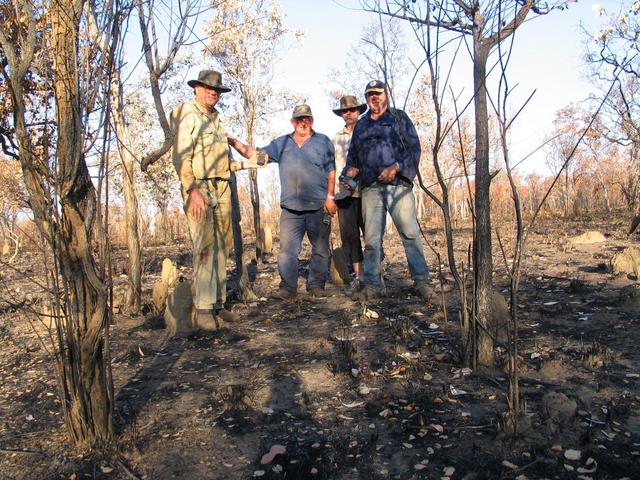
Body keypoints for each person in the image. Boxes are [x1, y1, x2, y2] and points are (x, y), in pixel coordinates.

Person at [171, 69, 261, 331]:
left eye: (217, 90)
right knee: (205, 249)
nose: (213, 93)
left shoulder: (218, 122)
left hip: (222, 188)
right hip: (199, 188)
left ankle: (218, 304)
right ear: (197, 89)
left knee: (222, 247)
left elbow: (223, 164)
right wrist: (191, 190)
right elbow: (181, 157)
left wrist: (248, 166)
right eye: (208, 88)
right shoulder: (188, 114)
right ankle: (202, 309)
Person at [343, 80, 432, 301]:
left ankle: (421, 282)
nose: (374, 98)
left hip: (398, 187)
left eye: (378, 94)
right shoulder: (362, 125)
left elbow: (414, 149)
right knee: (372, 239)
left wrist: (397, 168)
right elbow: (353, 156)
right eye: (370, 95)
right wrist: (350, 171)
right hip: (370, 188)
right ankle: (373, 284)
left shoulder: (399, 118)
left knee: (410, 234)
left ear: (386, 95)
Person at [261, 104, 337, 300]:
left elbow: (331, 170)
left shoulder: (323, 141)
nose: (303, 123)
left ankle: (316, 286)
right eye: (299, 119)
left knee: (320, 249)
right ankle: (288, 288)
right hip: (290, 209)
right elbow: (259, 155)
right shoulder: (282, 143)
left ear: (312, 121)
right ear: (292, 122)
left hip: (318, 206)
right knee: (287, 251)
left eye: (307, 119)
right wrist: (235, 143)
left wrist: (330, 197)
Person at [332, 95, 367, 290]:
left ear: (359, 111)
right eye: (345, 111)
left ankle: (374, 275)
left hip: (368, 191)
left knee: (371, 234)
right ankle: (359, 278)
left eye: (352, 110)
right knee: (349, 236)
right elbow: (332, 168)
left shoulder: (368, 131)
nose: (349, 114)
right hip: (344, 194)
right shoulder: (336, 138)